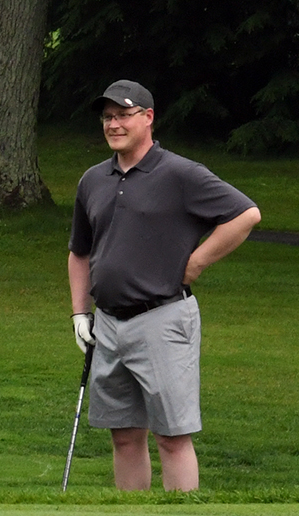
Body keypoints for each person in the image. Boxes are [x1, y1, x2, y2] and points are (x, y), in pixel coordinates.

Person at [69, 80, 260, 492]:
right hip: (109, 324)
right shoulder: (93, 180)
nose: (114, 124)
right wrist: (80, 314)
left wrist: (196, 262)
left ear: (148, 117)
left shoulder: (179, 173)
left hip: (162, 318)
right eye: (107, 117)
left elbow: (246, 214)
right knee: (123, 434)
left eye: (122, 115)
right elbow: (79, 252)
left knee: (172, 437)